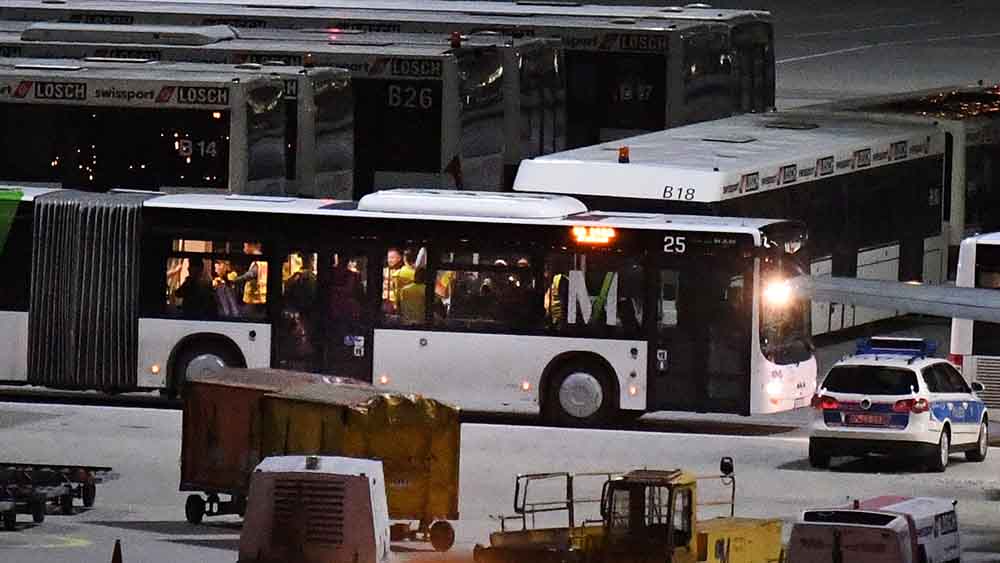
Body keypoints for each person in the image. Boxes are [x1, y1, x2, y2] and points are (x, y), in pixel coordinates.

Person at [231, 242, 267, 315]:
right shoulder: (261, 260)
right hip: (259, 298)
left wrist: (236, 279)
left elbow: (251, 274)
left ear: (251, 246)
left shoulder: (259, 261)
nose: (244, 249)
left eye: (245, 246)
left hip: (255, 299)